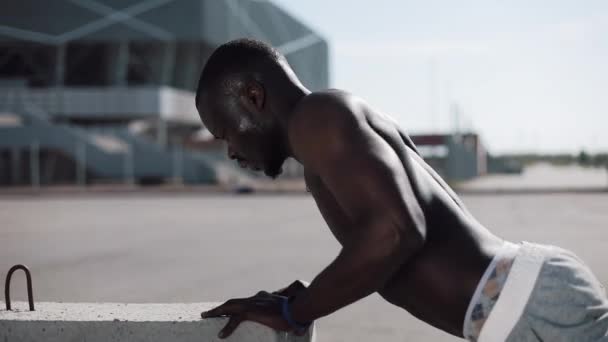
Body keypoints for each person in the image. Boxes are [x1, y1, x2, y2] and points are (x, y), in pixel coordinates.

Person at [195, 38, 608, 341]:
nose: (230, 150)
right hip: (517, 308)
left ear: (253, 96)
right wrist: (313, 294)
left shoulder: (316, 118)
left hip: (529, 307)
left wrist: (294, 311)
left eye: (224, 132)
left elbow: (393, 233)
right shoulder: (328, 121)